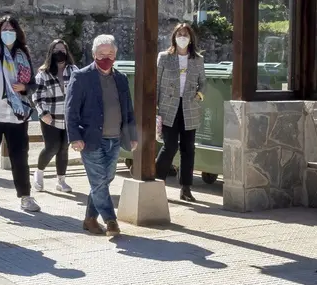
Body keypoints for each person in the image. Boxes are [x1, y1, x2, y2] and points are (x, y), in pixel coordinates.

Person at [66, 35, 138, 237]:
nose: (106, 57)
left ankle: (90, 219)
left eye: (110, 54)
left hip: (115, 138)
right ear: (93, 54)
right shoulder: (81, 77)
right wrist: (74, 136)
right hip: (90, 139)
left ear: (115, 55)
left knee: (106, 179)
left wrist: (132, 136)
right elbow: (70, 110)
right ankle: (111, 220)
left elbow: (128, 110)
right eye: (101, 54)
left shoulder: (121, 78)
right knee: (98, 181)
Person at [0, 16, 38, 211]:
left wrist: (24, 87)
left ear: (17, 32)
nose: (8, 32)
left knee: (20, 157)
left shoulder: (23, 54)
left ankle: (25, 196)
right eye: (5, 29)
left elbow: (33, 84)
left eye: (11, 28)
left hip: (17, 115)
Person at [155, 22, 207, 203]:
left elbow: (203, 82)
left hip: (189, 108)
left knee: (188, 148)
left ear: (191, 38)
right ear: (174, 37)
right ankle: (156, 180)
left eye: (186, 34)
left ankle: (186, 188)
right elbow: (155, 82)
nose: (183, 37)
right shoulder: (164, 57)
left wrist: (199, 95)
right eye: (180, 34)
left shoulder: (197, 59)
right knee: (169, 145)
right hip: (168, 107)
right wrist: (154, 107)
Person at [31, 38, 76, 194]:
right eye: (56, 50)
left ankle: (61, 181)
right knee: (52, 147)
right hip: (50, 117)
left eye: (62, 50)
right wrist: (43, 114)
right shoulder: (43, 73)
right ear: (51, 52)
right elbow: (37, 96)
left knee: (64, 148)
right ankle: (39, 172)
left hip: (68, 118)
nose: (60, 53)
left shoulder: (73, 70)